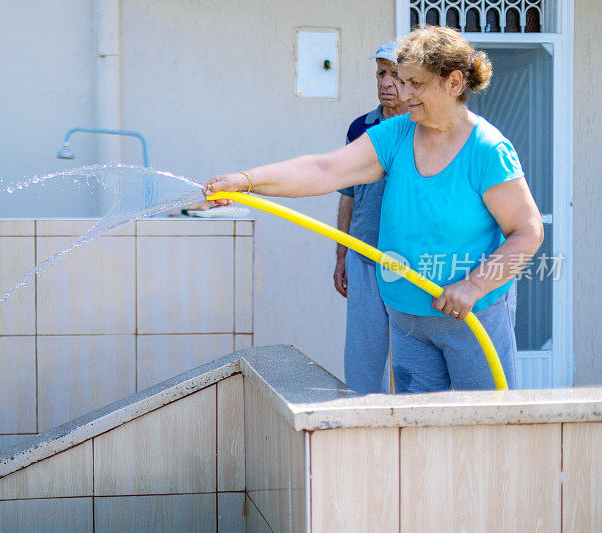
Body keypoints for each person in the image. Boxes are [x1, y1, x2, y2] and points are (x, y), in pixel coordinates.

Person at [205, 26, 543, 392]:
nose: (405, 93)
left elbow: (527, 232)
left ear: (455, 82)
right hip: (409, 318)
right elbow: (325, 170)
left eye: (416, 84)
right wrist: (246, 180)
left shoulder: (487, 150)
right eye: (403, 80)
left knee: (479, 433)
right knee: (417, 433)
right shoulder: (396, 134)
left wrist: (474, 285)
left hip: (474, 317)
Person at [334, 40, 407, 394]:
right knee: (364, 359)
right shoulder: (360, 128)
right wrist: (341, 256)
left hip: (412, 262)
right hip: (363, 256)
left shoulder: (422, 128)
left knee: (412, 361)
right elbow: (348, 195)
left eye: (396, 74)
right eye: (381, 73)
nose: (386, 83)